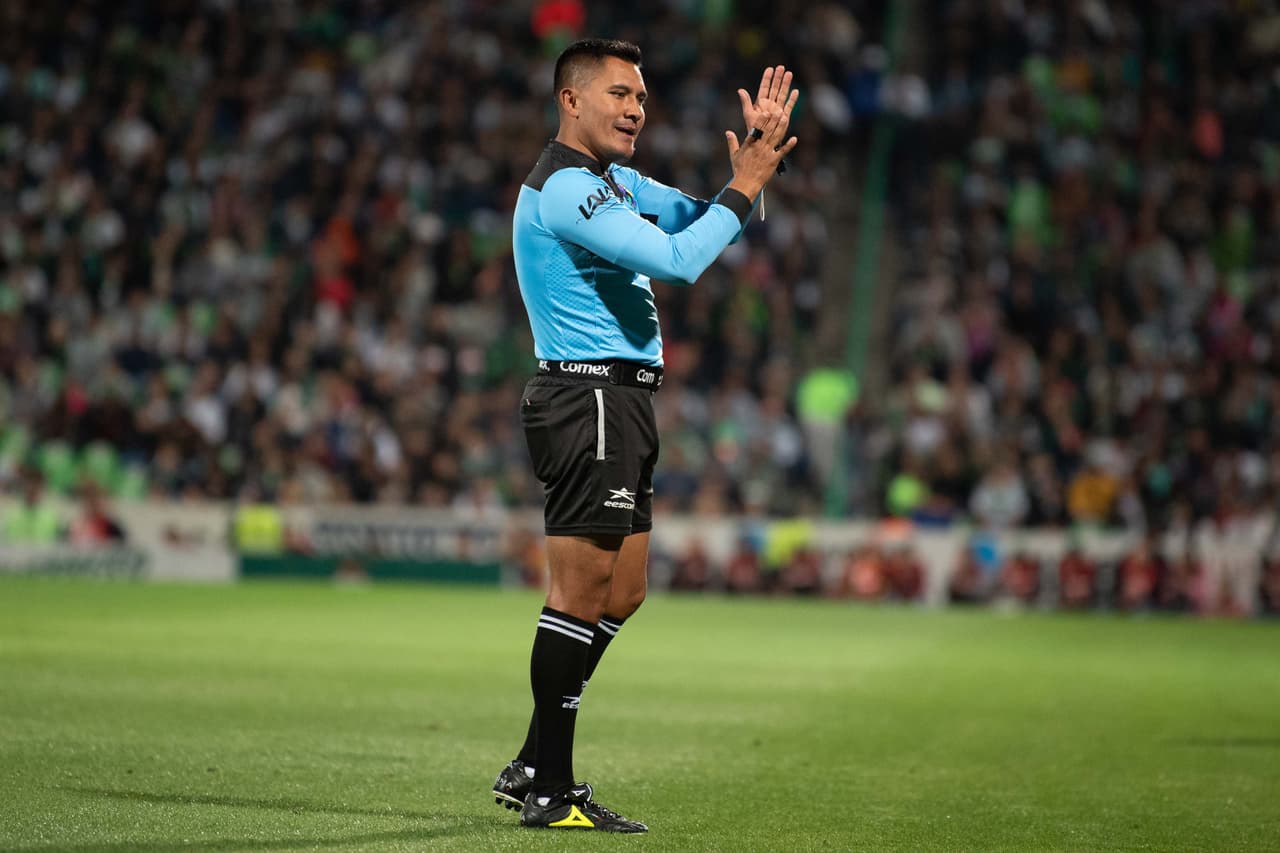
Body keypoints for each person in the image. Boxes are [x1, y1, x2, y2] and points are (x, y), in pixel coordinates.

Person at [491, 38, 797, 833]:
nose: (637, 109)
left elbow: (701, 218)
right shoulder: (564, 190)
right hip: (585, 396)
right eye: (621, 94)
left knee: (625, 591)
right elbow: (676, 260)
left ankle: (532, 757)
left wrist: (759, 167)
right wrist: (742, 189)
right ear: (572, 100)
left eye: (642, 97)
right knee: (578, 594)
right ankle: (550, 788)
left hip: (623, 402)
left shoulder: (612, 181)